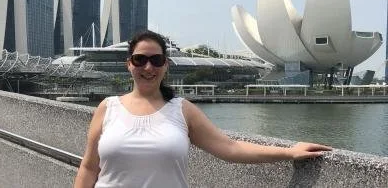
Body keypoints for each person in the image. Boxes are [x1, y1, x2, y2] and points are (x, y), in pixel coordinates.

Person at [74, 31, 331, 188]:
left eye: (156, 60)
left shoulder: (181, 110)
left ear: (166, 65)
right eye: (140, 59)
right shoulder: (108, 108)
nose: (148, 67)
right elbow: (88, 168)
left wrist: (290, 152)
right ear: (129, 64)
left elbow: (231, 148)